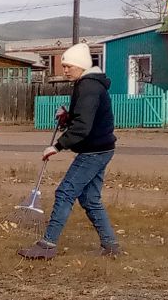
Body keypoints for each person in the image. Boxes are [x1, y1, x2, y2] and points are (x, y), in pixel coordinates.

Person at [20, 43, 121, 259]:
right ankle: (111, 245)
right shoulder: (89, 85)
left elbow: (83, 127)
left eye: (68, 66)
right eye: (64, 66)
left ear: (81, 65)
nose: (65, 70)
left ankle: (47, 245)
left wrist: (56, 146)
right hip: (102, 148)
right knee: (90, 198)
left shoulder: (89, 87)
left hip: (94, 151)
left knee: (65, 192)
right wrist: (68, 118)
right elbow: (84, 119)